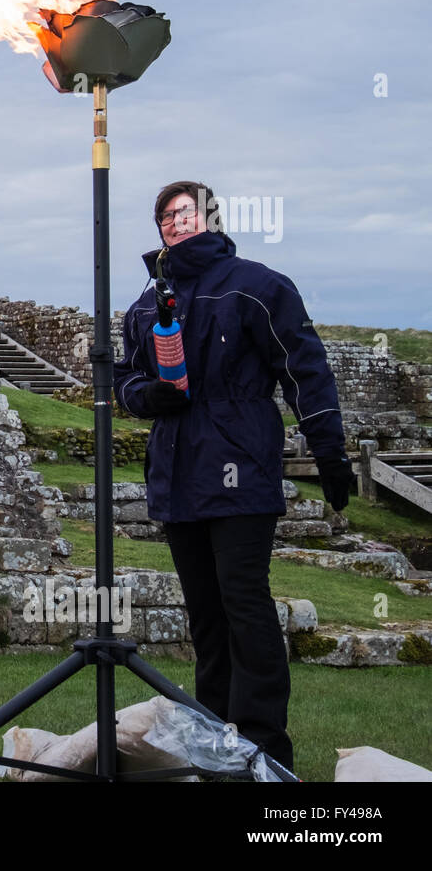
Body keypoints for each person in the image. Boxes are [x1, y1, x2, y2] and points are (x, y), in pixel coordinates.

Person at [113, 180, 356, 774]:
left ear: (211, 219)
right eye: (165, 217)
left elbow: (304, 365)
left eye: (185, 213)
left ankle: (264, 748)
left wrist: (329, 449)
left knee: (244, 602)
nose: (175, 223)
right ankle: (211, 739)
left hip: (239, 466)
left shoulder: (257, 286)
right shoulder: (147, 304)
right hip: (175, 472)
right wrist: (151, 395)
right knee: (205, 612)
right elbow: (124, 381)